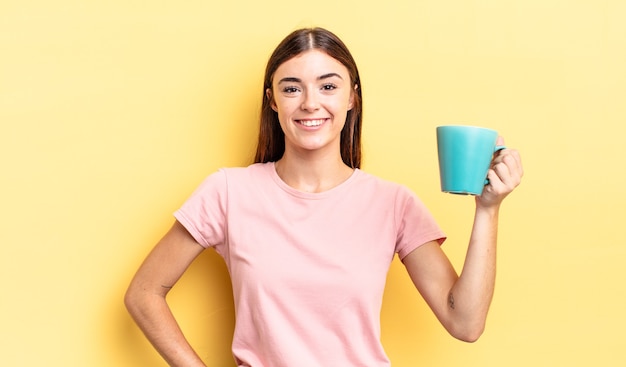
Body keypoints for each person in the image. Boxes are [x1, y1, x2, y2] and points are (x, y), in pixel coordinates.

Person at [124, 27, 523, 367]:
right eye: (292, 88)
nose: (310, 103)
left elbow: (465, 323)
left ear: (352, 97)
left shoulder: (393, 203)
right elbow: (144, 294)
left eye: (328, 86)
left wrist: (488, 209)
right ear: (272, 101)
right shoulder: (229, 191)